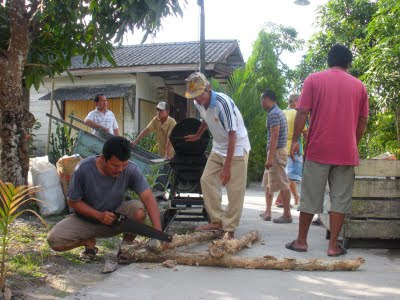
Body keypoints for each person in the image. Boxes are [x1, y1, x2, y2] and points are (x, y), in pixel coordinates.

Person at [285, 44, 369, 257]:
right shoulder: (359, 87)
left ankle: (301, 241)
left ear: (329, 61)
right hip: (345, 152)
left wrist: (295, 140)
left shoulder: (314, 79)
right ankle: (333, 246)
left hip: (318, 149)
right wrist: (353, 143)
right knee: (340, 199)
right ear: (348, 63)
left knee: (310, 195)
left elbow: (302, 112)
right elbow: (363, 121)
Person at [47, 136, 162, 260]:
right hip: (85, 220)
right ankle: (88, 243)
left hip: (114, 219)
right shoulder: (83, 168)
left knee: (138, 210)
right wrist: (99, 215)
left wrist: (158, 234)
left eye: (124, 165)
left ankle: (126, 248)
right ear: (103, 158)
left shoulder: (131, 169)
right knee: (55, 240)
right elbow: (72, 202)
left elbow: (149, 198)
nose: (120, 169)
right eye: (115, 165)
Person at [183, 72, 250, 240]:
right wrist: (198, 135)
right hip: (218, 147)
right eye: (194, 96)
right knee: (206, 179)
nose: (197, 99)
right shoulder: (199, 102)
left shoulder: (223, 103)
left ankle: (230, 228)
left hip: (236, 147)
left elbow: (233, 135)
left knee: (234, 189)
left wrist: (226, 167)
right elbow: (207, 118)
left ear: (208, 88)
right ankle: (217, 221)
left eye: (200, 95)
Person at [259, 89, 292, 224]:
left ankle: (287, 215)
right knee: (268, 183)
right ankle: (268, 212)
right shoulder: (277, 112)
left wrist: (270, 157)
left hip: (276, 152)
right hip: (276, 151)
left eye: (262, 100)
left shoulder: (273, 114)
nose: (261, 103)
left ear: (267, 99)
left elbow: (275, 135)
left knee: (283, 183)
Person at [275, 94, 308, 207]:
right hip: (295, 149)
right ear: (295, 102)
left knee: (289, 175)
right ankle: (280, 199)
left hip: (282, 148)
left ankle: (296, 197)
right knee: (290, 176)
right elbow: (305, 133)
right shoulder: (297, 114)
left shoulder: (282, 113)